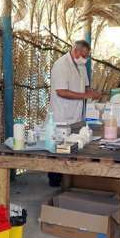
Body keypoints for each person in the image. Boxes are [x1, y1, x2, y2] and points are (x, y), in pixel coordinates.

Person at [48, 40, 102, 187]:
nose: (85, 58)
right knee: (59, 148)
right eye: (84, 55)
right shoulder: (61, 65)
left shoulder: (81, 66)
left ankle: (70, 179)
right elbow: (61, 91)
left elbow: (85, 88)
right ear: (76, 51)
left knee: (74, 147)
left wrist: (94, 94)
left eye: (87, 56)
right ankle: (54, 179)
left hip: (77, 114)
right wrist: (86, 96)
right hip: (62, 114)